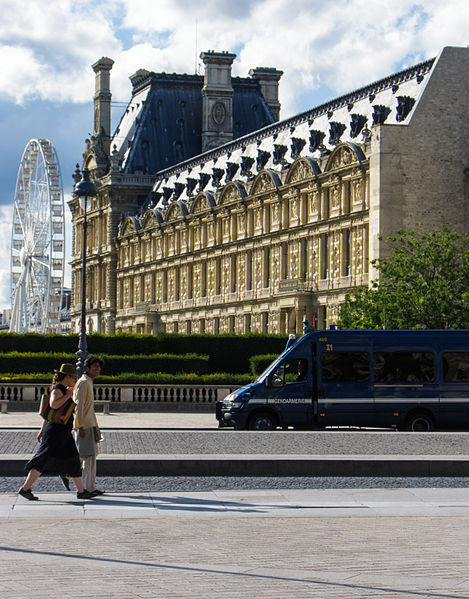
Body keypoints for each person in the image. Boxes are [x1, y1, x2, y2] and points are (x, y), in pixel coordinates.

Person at [18, 364, 94, 501]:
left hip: (62, 432)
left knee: (73, 459)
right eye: (73, 378)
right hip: (55, 433)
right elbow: (53, 405)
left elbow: (49, 414)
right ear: (67, 377)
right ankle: (25, 488)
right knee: (43, 459)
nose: (74, 381)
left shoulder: (62, 389)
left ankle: (81, 491)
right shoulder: (58, 389)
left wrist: (41, 431)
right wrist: (69, 395)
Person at [74, 356, 105, 497]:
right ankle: (87, 487)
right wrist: (79, 426)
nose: (98, 369)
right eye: (95, 367)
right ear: (86, 369)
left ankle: (85, 485)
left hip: (89, 423)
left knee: (87, 456)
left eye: (99, 367)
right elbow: (79, 406)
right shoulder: (84, 383)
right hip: (85, 425)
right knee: (89, 457)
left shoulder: (88, 382)